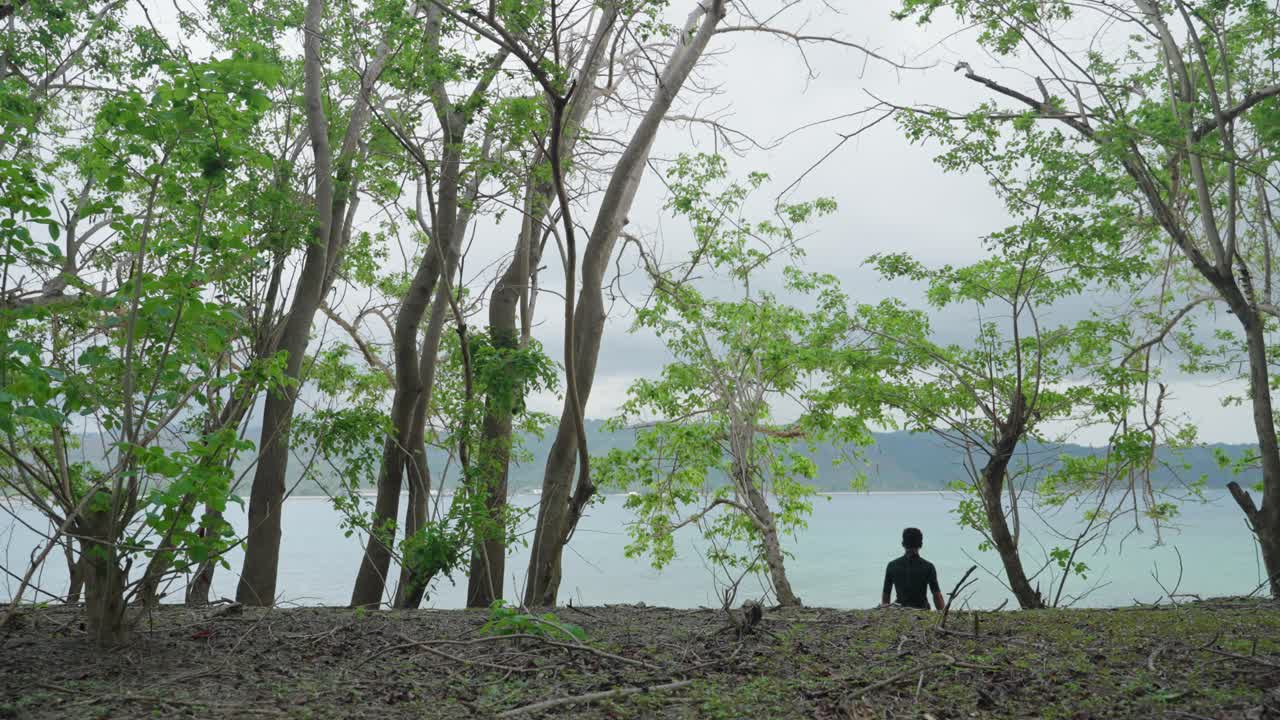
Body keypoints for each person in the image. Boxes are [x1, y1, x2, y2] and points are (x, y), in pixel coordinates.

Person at [880, 527, 945, 611]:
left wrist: (886, 612)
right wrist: (942, 612)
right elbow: (936, 595)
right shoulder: (928, 566)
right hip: (922, 609)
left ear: (903, 544)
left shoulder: (892, 565)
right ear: (921, 544)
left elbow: (886, 596)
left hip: (900, 609)